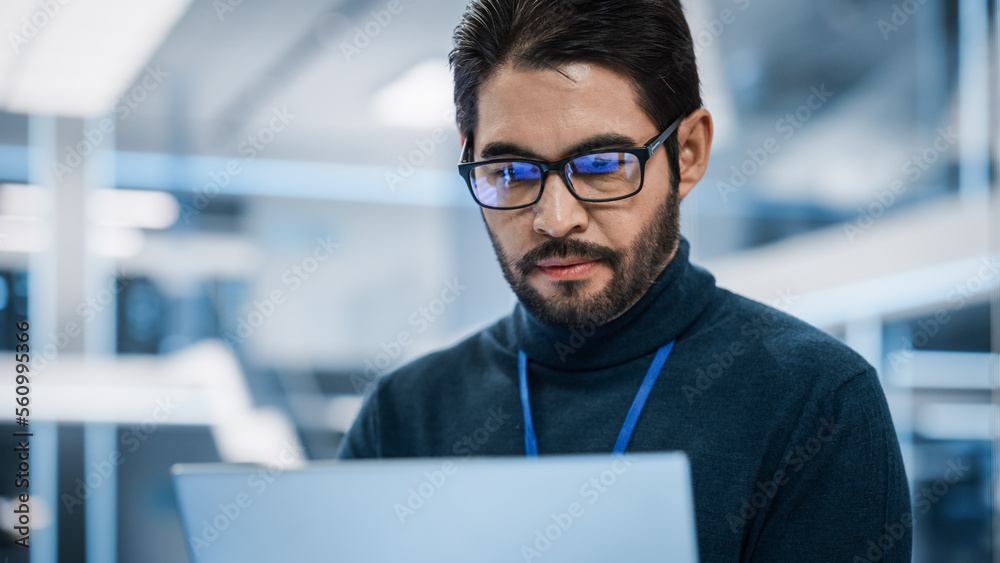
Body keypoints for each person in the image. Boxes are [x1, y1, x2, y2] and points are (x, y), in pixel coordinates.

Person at [338, 0, 912, 560]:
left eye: (602, 164)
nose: (556, 218)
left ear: (687, 153)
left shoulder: (815, 401)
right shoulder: (405, 416)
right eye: (510, 172)